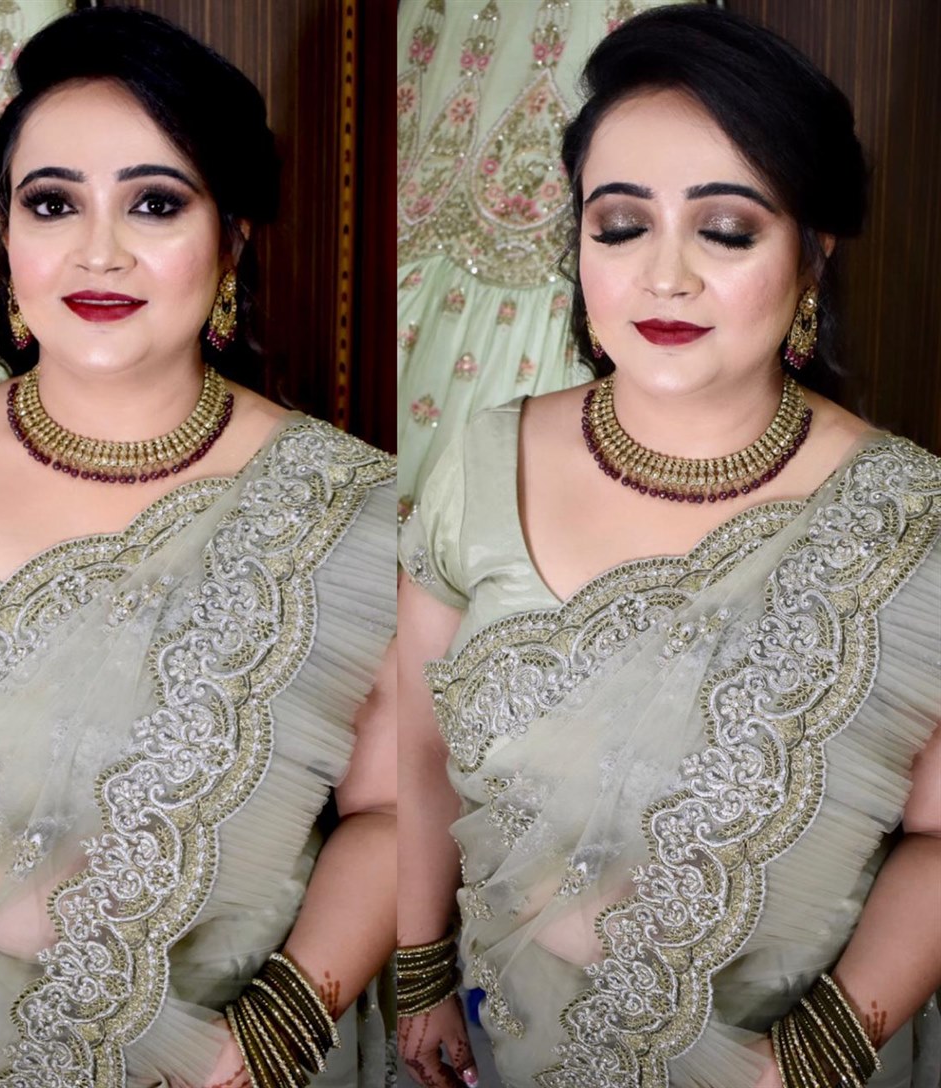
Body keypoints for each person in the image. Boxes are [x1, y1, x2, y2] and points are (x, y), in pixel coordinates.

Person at [396, 7, 941, 1088]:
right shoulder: (485, 459)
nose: (664, 275)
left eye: (725, 229)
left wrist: (810, 1057)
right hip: (512, 1040)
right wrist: (419, 973)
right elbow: (415, 741)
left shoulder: (907, 516)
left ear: (813, 250)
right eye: (619, 225)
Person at [0, 9, 396, 1088]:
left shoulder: (351, 505)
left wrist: (265, 1038)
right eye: (52, 202)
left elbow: (390, 810)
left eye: (154, 202)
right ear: (6, 234)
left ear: (232, 236)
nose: (97, 250)